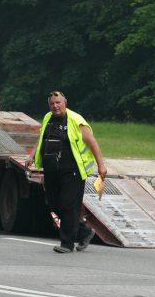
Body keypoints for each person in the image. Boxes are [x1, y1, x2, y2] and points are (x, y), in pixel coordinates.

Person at [30, 90, 108, 253]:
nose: (55, 106)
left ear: (65, 103)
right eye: (52, 103)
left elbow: (92, 142)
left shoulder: (76, 120)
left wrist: (101, 166)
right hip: (52, 171)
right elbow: (42, 138)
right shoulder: (47, 118)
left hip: (72, 171)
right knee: (54, 204)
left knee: (67, 206)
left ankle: (67, 244)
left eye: (58, 103)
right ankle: (84, 232)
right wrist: (32, 155)